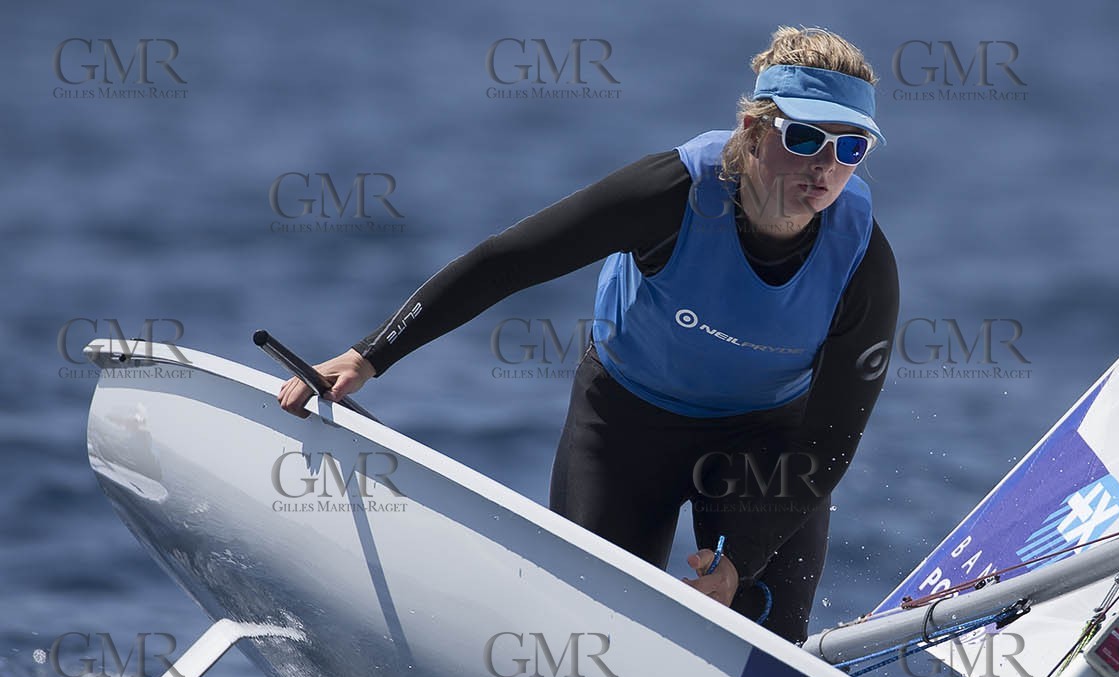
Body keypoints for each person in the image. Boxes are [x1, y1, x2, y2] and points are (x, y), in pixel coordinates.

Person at [277, 26, 899, 644]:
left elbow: (831, 438)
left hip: (767, 444)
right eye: (806, 136)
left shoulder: (862, 263)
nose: (825, 164)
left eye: (851, 147)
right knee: (585, 641)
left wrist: (744, 558)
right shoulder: (671, 195)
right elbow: (507, 261)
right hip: (627, 423)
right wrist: (371, 355)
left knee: (766, 638)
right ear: (754, 131)